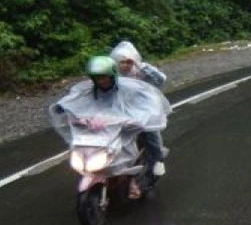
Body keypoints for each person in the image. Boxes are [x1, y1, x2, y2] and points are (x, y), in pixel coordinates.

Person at [50, 55, 170, 198]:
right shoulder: (87, 89)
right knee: (86, 147)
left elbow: (148, 102)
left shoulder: (130, 88)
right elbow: (74, 98)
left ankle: (143, 177)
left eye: (104, 77)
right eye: (97, 77)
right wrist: (62, 107)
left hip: (126, 128)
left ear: (112, 74)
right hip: (102, 130)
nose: (101, 81)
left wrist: (139, 118)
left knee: (150, 141)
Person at [110, 41, 169, 176]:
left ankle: (158, 159)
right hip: (120, 110)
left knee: (151, 132)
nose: (125, 65)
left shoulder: (141, 71)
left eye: (129, 62)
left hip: (144, 109)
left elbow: (161, 80)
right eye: (122, 62)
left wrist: (141, 66)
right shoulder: (112, 74)